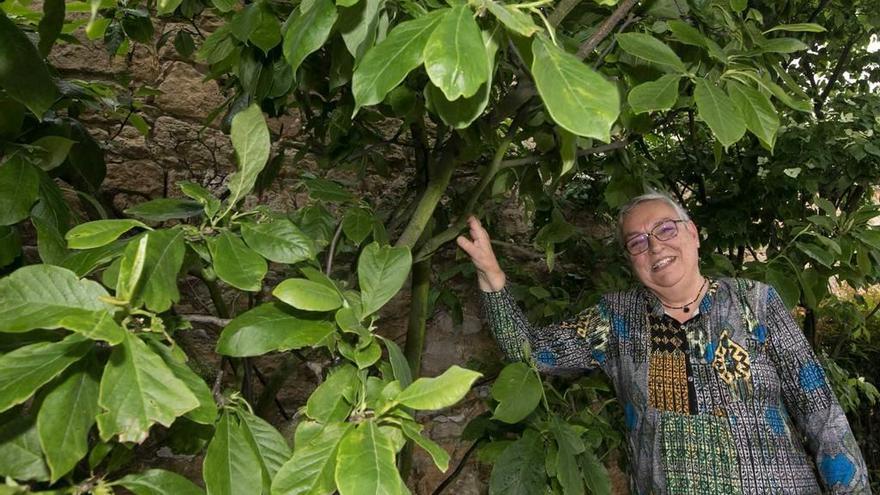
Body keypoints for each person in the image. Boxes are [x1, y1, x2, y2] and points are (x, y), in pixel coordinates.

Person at [456, 192, 871, 494]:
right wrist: (493, 278)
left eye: (665, 229)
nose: (655, 246)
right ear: (631, 259)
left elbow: (820, 411)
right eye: (638, 242)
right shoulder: (617, 319)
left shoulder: (756, 302)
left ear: (692, 234)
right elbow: (531, 352)